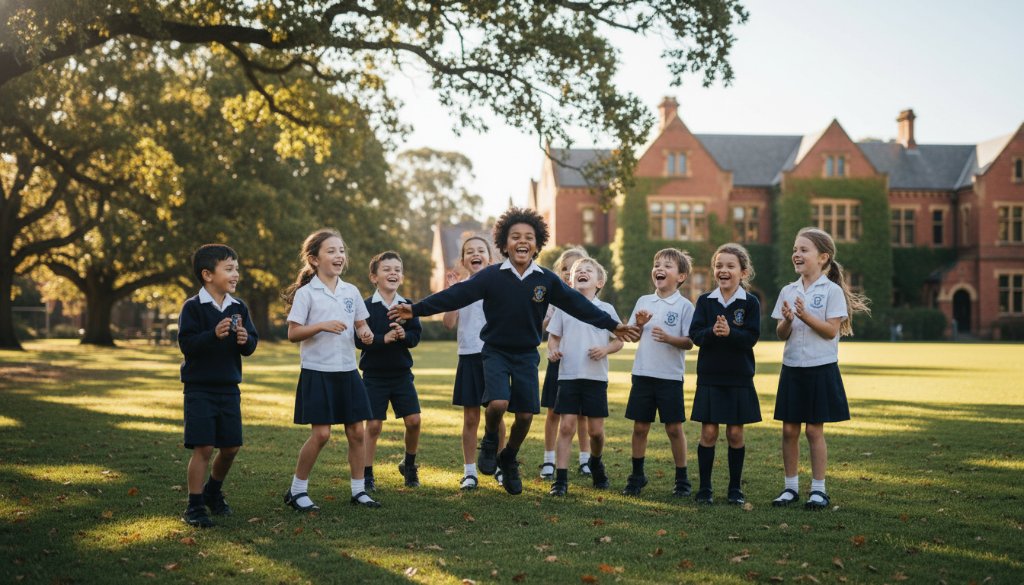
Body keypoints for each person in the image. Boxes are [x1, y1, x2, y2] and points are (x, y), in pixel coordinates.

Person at [389, 207, 639, 496]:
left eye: (529, 237)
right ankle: (491, 439)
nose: (522, 241)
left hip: (526, 355)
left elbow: (579, 305)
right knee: (496, 404)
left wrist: (613, 325)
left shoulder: (546, 279)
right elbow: (455, 294)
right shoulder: (492, 276)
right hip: (495, 351)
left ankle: (508, 458)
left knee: (524, 417)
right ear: (504, 244)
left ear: (537, 243)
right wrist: (416, 309)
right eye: (515, 236)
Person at [281, 229, 380, 511]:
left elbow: (361, 324)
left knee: (356, 433)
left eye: (341, 251)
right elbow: (293, 333)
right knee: (322, 435)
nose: (339, 256)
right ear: (314, 259)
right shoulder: (306, 293)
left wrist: (366, 334)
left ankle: (359, 491)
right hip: (317, 371)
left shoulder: (351, 291)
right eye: (331, 251)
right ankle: (297, 490)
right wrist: (322, 325)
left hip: (347, 370)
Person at [771, 227, 870, 510]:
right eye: (795, 249)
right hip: (792, 368)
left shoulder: (832, 291)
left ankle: (818, 489)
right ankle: (790, 488)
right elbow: (781, 333)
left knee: (814, 431)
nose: (796, 254)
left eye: (804, 250)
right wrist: (789, 320)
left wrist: (806, 315)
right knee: (789, 431)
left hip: (820, 369)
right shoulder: (787, 291)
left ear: (823, 257)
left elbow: (829, 331)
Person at [177, 244, 259, 528]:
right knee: (204, 447)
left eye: (236, 268)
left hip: (229, 388)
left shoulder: (239, 307)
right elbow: (187, 344)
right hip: (199, 388)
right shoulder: (193, 307)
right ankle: (195, 505)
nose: (236, 274)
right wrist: (212, 334)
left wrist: (244, 340)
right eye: (229, 268)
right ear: (207, 274)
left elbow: (251, 344)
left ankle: (213, 490)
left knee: (232, 446)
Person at [689, 243, 761, 506]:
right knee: (708, 433)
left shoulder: (750, 303)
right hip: (710, 376)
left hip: (739, 377)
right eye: (719, 265)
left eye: (730, 266)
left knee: (735, 434)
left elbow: (751, 338)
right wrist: (712, 332)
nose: (723, 270)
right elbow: (696, 335)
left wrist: (731, 333)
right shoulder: (705, 301)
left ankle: (734, 489)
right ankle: (705, 488)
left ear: (743, 272)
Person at [622, 248, 696, 498]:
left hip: (670, 377)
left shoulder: (685, 306)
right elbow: (631, 337)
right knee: (640, 427)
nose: (660, 269)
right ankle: (637, 475)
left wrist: (669, 338)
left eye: (668, 265)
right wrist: (639, 325)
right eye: (657, 264)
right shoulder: (644, 301)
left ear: (681, 276)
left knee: (674, 428)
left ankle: (682, 478)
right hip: (642, 374)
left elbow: (689, 342)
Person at [546, 257, 623, 496]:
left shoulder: (606, 310)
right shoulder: (563, 307)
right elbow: (554, 336)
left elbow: (619, 339)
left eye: (588, 270)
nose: (582, 272)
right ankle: (560, 479)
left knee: (596, 432)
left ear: (599, 282)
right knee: (567, 426)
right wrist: (552, 351)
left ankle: (596, 461)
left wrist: (605, 350)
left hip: (595, 378)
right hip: (568, 375)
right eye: (578, 270)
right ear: (570, 280)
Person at [442, 236, 508, 491]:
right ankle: (470, 472)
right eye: (470, 251)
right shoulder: (461, 288)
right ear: (463, 261)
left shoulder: (499, 286)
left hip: (494, 357)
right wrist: (451, 294)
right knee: (470, 418)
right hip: (469, 357)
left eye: (481, 250)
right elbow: (448, 324)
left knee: (496, 413)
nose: (475, 254)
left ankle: (501, 466)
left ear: (490, 259)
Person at [356, 251, 423, 490]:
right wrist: (383, 339)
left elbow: (415, 337)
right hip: (374, 376)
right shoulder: (364, 307)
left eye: (397, 269)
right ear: (374, 277)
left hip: (402, 375)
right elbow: (358, 339)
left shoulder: (408, 306)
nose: (393, 273)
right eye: (387, 269)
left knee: (414, 421)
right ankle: (366, 474)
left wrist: (404, 336)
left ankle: (410, 465)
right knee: (373, 426)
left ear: (402, 276)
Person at [540, 247, 593, 480]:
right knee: (553, 412)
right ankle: (549, 460)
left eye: (573, 268)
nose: (568, 272)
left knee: (582, 415)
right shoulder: (555, 300)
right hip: (558, 362)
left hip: (583, 364)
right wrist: (551, 318)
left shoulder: (590, 301)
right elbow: (544, 326)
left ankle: (585, 459)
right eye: (564, 269)